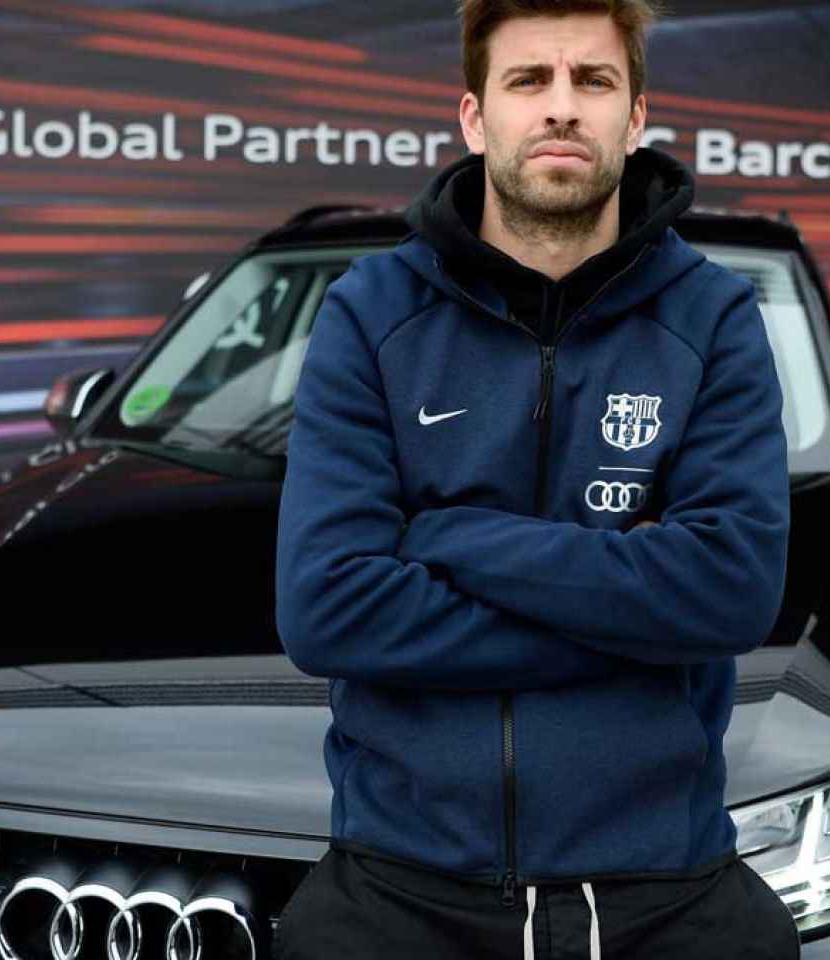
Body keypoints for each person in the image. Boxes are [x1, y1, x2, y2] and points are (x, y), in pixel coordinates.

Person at [273, 1, 796, 957]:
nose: (562, 109)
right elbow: (327, 609)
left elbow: (729, 593)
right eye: (529, 80)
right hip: (400, 890)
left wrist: (448, 536)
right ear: (476, 118)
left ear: (636, 118)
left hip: (662, 893)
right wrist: (633, 615)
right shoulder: (369, 312)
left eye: (592, 81)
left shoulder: (714, 317)